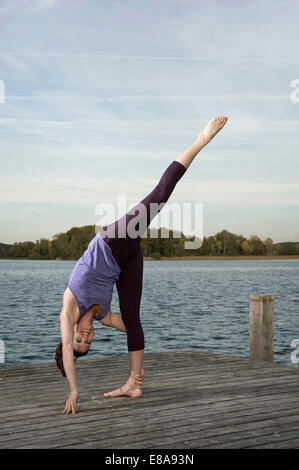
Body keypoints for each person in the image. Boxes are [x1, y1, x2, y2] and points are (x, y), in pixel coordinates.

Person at [55, 116, 228, 414]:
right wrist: (131, 330)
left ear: (71, 333)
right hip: (127, 259)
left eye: (79, 338)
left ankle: (201, 140)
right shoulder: (104, 317)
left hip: (111, 243)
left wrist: (74, 389)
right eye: (88, 342)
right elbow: (134, 328)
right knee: (133, 318)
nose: (86, 336)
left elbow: (68, 356)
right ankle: (133, 384)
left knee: (159, 197)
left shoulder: (69, 306)